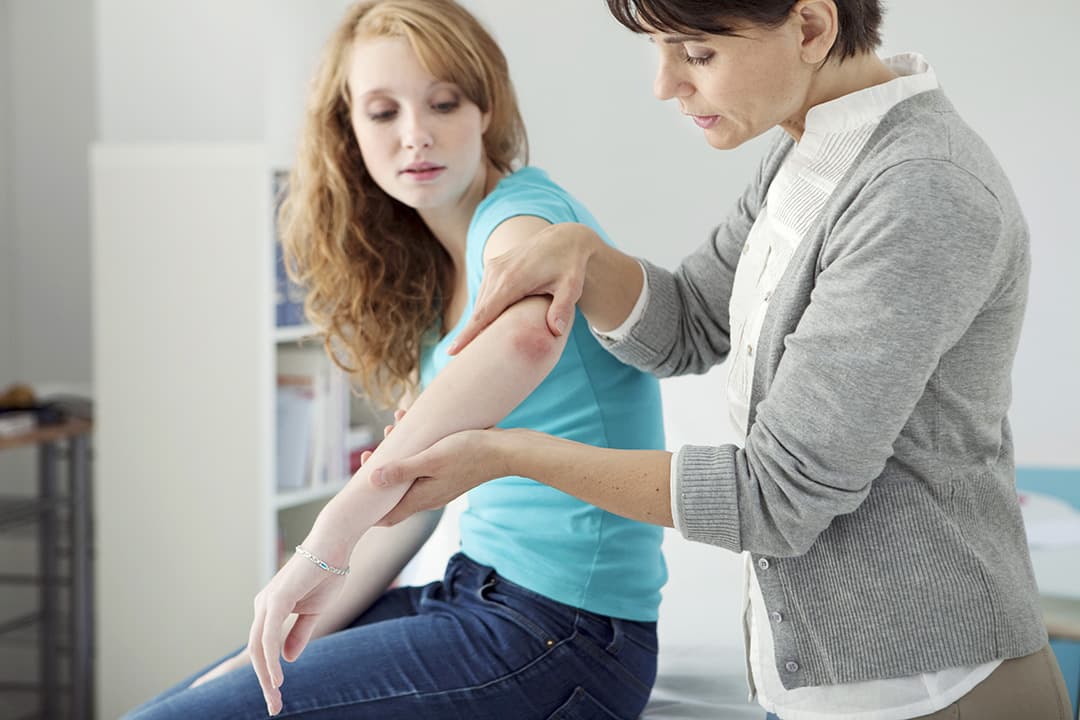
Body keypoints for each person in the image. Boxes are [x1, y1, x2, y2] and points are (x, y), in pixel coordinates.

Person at [370, 1, 1073, 718]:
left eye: (696, 54)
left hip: (931, 687)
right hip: (825, 684)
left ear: (810, 28)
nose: (664, 84)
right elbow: (694, 323)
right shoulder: (809, 150)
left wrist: (509, 454)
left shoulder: (918, 190)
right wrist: (585, 257)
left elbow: (775, 496)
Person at [123, 1, 667, 718]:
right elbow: (405, 513)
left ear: (485, 112)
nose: (416, 136)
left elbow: (527, 336)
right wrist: (294, 607)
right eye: (383, 113)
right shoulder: (428, 273)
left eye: (444, 103)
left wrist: (330, 530)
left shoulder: (522, 216)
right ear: (348, 134)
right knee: (182, 701)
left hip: (565, 641)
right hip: (476, 594)